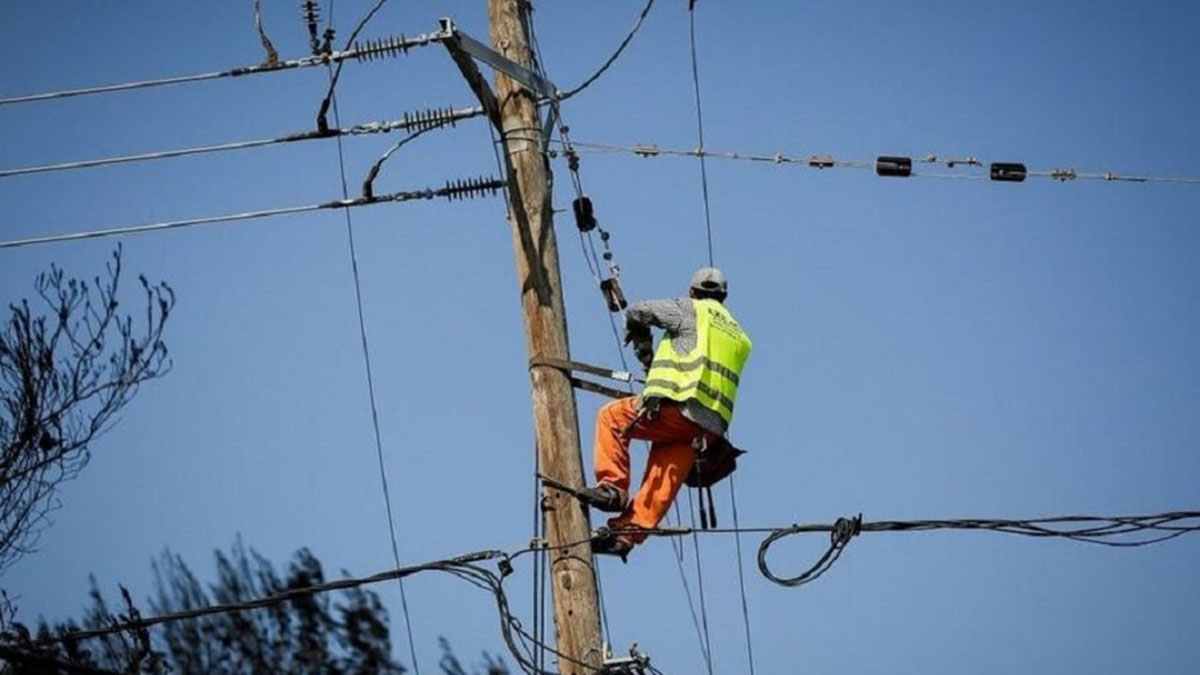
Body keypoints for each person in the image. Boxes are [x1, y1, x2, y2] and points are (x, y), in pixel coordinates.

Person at [579, 267, 753, 559]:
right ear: (724, 297)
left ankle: (612, 489)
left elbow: (639, 311)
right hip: (709, 427)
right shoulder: (740, 336)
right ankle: (626, 535)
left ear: (693, 292)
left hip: (682, 409)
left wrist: (642, 342)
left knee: (611, 417)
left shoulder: (690, 309)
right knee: (664, 474)